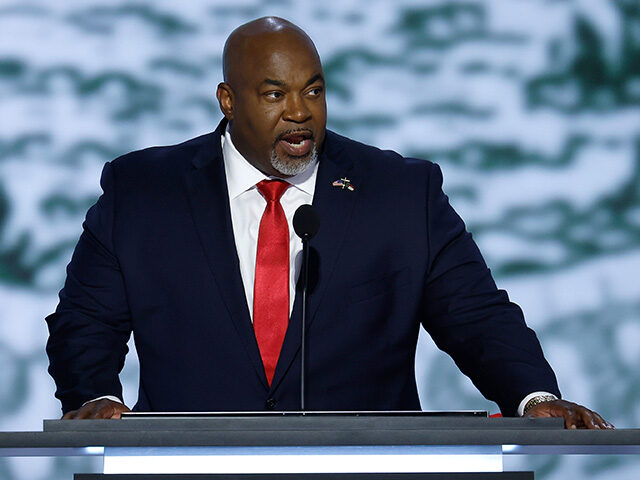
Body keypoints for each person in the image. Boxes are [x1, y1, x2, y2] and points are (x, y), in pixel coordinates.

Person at [46, 17, 612, 429]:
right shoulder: (143, 191)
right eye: (274, 94)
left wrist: (534, 398)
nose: (299, 111)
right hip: (188, 467)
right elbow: (84, 322)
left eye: (313, 90)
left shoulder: (398, 192)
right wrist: (95, 395)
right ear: (227, 99)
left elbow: (476, 314)